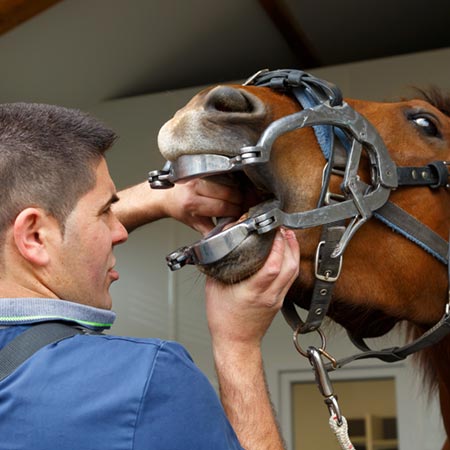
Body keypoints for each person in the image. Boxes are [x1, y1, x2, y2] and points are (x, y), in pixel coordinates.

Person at [0, 103, 299, 449]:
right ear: (35, 237)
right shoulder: (145, 382)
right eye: (104, 212)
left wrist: (157, 198)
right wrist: (238, 346)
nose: (120, 232)